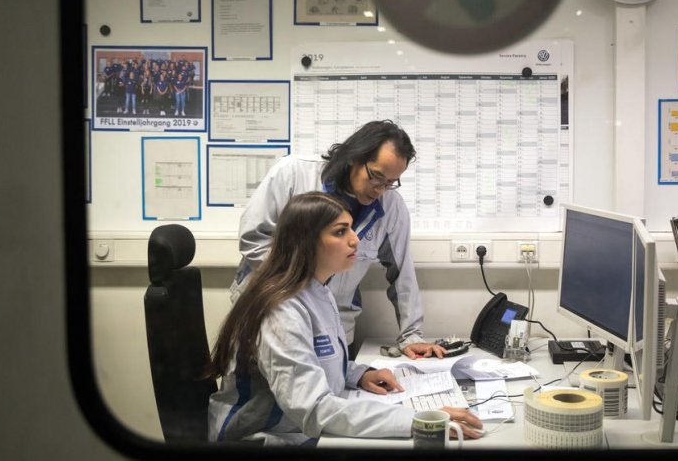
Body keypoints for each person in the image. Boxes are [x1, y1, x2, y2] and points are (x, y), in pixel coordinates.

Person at [207, 192, 482, 445]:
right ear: (305, 242)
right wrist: (417, 420)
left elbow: (311, 359)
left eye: (351, 227)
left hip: (298, 432)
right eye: (340, 231)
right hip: (265, 439)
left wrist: (358, 374)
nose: (355, 239)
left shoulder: (318, 290)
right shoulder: (281, 311)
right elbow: (313, 408)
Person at [231, 120, 442, 359]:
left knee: (338, 388)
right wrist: (304, 286)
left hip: (334, 328)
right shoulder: (293, 173)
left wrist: (411, 335)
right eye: (376, 177)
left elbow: (402, 274)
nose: (380, 190)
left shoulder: (391, 208)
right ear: (354, 157)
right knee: (259, 394)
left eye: (390, 183)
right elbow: (253, 239)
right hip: (272, 316)